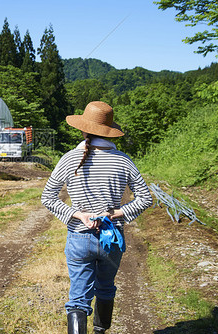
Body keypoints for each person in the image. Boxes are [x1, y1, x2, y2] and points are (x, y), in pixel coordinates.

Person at [41, 101, 152, 334]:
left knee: (78, 299)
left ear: (83, 128)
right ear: (108, 131)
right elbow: (145, 199)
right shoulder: (123, 160)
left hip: (80, 237)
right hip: (111, 239)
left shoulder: (69, 158)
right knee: (106, 289)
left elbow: (48, 197)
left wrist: (78, 214)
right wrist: (115, 212)